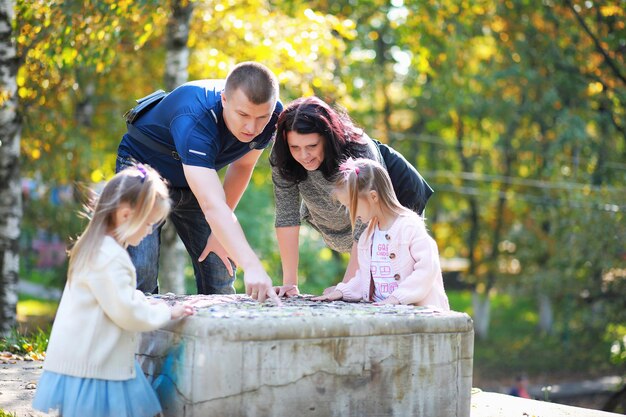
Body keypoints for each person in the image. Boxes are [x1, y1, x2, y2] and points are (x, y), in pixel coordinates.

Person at [32, 164, 195, 417]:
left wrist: (141, 299)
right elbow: (126, 312)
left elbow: (114, 297)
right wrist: (166, 312)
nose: (150, 230)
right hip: (98, 367)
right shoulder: (110, 257)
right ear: (126, 215)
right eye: (149, 223)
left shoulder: (98, 248)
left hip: (86, 360)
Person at [117, 61, 282, 302]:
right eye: (243, 115)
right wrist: (253, 265)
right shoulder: (195, 118)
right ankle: (144, 338)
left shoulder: (274, 114)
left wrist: (220, 230)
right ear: (224, 100)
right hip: (144, 171)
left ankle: (220, 336)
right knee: (142, 270)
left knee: (219, 266)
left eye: (262, 117)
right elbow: (212, 206)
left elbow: (243, 165)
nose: (252, 127)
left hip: (199, 177)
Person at [270, 96, 433, 297]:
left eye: (311, 146)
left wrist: (344, 288)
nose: (303, 155)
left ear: (326, 138)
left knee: (392, 274)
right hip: (348, 210)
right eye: (295, 147)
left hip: (397, 193)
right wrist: (289, 283)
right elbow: (287, 215)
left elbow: (365, 225)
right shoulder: (282, 154)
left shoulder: (357, 148)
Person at [312, 158, 449, 309]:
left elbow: (427, 268)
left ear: (373, 197)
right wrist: (342, 291)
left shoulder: (409, 226)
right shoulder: (368, 235)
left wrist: (396, 298)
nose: (349, 212)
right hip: (385, 313)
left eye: (351, 205)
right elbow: (364, 278)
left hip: (420, 315)